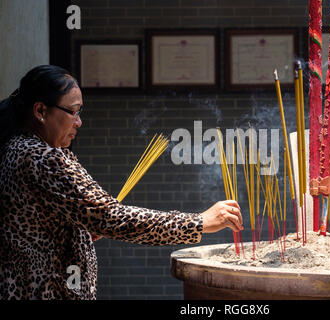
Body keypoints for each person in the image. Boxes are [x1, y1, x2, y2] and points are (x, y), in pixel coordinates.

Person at [0, 65, 243, 300]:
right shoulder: (43, 158)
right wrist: (199, 222)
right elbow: (112, 218)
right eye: (73, 112)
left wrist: (83, 230)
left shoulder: (17, 147)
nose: (79, 122)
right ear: (41, 111)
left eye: (80, 112)